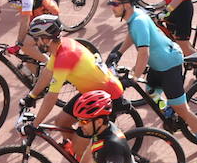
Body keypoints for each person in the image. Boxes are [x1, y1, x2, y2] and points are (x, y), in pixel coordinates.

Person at [105, 0, 197, 163]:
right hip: (159, 64)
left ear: (126, 5)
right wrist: (118, 53)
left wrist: (134, 76)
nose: (111, 7)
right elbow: (133, 36)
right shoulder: (134, 18)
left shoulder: (138, 21)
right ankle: (168, 110)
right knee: (150, 92)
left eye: (115, 3)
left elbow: (144, 53)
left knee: (183, 111)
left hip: (169, 65)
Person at [21, 14, 123, 150]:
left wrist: (35, 124)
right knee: (61, 122)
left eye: (36, 39)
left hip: (107, 96)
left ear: (46, 39)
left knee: (79, 146)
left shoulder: (65, 56)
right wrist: (32, 96)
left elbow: (52, 96)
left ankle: (89, 162)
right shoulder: (60, 46)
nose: (35, 42)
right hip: (90, 93)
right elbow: (47, 72)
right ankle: (78, 154)